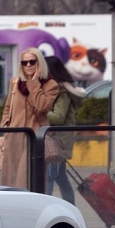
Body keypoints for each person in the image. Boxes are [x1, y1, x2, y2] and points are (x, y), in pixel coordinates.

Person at [0, 49, 61, 190]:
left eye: (32, 61)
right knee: (9, 180)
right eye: (24, 62)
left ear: (40, 63)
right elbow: (7, 107)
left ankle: (28, 209)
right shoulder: (15, 82)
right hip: (13, 137)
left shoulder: (50, 85)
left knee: (27, 180)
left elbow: (42, 107)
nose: (28, 65)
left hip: (34, 138)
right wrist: (5, 126)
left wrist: (34, 83)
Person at [44, 56, 85, 205]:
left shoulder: (62, 93)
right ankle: (72, 208)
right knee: (60, 178)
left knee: (49, 177)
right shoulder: (59, 90)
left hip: (57, 142)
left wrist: (41, 113)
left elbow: (58, 118)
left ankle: (43, 208)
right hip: (58, 140)